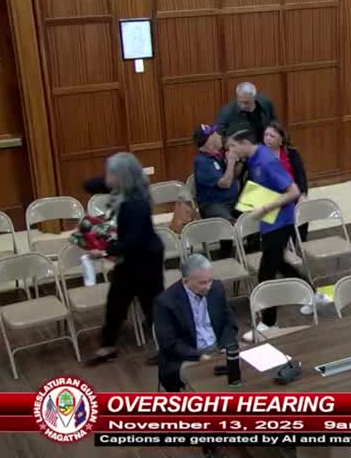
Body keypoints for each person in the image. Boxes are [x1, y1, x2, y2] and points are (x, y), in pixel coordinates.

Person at [224, 129, 306, 342]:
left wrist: (265, 207)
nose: (229, 151)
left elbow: (293, 191)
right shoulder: (253, 158)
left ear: (244, 143)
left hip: (281, 222)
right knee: (279, 263)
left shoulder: (266, 161)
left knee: (265, 273)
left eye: (232, 146)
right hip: (270, 222)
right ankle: (312, 293)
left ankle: (269, 323)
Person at [83, 153, 165, 365]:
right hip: (129, 259)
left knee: (153, 306)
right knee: (116, 303)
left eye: (110, 173)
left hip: (146, 259)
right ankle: (108, 346)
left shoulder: (135, 204)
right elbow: (88, 185)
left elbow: (133, 241)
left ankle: (167, 349)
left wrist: (102, 251)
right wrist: (109, 178)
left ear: (122, 177)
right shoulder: (123, 190)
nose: (106, 176)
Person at [153, 254, 238, 393]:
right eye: (202, 283)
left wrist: (226, 345)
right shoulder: (165, 302)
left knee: (246, 369)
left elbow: (229, 322)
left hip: (219, 347)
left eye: (210, 280)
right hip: (186, 356)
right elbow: (169, 343)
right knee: (207, 387)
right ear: (185, 281)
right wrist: (199, 356)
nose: (208, 287)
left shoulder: (216, 288)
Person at [263, 121, 309, 242]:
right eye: (266, 135)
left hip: (291, 194)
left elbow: (300, 176)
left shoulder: (291, 152)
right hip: (270, 197)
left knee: (302, 208)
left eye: (272, 136)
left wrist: (303, 194)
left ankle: (299, 244)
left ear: (281, 140)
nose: (267, 138)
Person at [193, 124, 241, 220]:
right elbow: (225, 183)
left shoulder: (218, 155)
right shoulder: (202, 162)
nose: (219, 135)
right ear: (208, 142)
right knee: (228, 224)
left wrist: (241, 160)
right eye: (214, 133)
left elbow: (234, 176)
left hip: (233, 202)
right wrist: (231, 162)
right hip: (213, 205)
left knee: (255, 214)